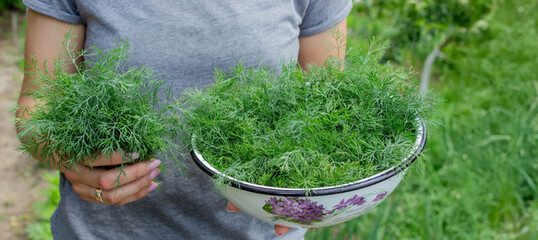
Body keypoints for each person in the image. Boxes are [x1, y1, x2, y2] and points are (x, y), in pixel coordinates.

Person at [15, 0, 351, 238]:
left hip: (257, 232)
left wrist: (311, 194)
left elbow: (324, 111)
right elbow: (38, 104)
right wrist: (72, 156)